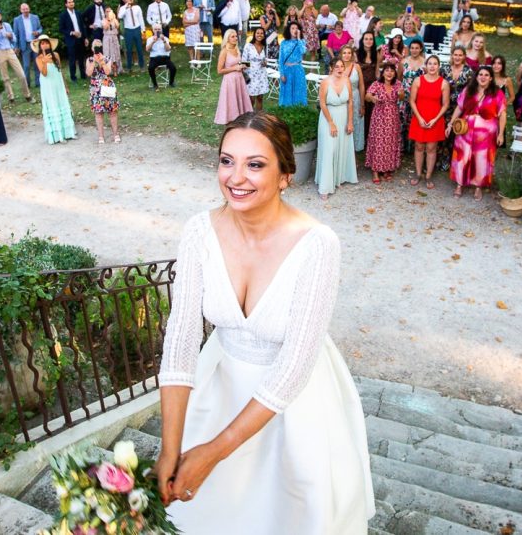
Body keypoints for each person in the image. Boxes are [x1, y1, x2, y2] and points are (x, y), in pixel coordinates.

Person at [157, 111, 375, 535]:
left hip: (293, 402)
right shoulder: (199, 232)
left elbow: (294, 366)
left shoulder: (317, 245)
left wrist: (214, 451)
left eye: (255, 164)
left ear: (285, 176)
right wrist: (171, 446)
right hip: (219, 387)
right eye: (226, 160)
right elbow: (181, 338)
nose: (235, 177)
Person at [448, 65, 506, 199]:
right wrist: (451, 123)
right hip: (465, 130)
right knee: (463, 156)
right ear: (476, 76)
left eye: (486, 75)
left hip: (486, 133)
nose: (483, 77)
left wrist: (501, 133)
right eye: (480, 74)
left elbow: (502, 114)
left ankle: (478, 186)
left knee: (481, 159)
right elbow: (459, 107)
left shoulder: (497, 93)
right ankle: (459, 184)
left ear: (491, 78)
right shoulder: (469, 90)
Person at [315, 59, 359, 200]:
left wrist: (350, 121)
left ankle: (338, 179)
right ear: (331, 68)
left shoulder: (347, 81)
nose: (340, 69)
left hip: (344, 117)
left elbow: (350, 101)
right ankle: (325, 186)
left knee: (342, 147)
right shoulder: (325, 82)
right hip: (329, 118)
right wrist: (331, 123)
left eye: (342, 66)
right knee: (329, 149)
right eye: (337, 67)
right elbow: (322, 103)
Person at [406, 55, 447, 188]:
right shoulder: (418, 80)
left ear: (439, 66)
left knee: (431, 148)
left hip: (435, 119)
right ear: (426, 66)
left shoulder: (443, 83)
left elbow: (445, 104)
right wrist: (419, 117)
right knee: (419, 146)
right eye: (430, 63)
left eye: (435, 64)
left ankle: (428, 175)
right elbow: (412, 100)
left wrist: (436, 119)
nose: (432, 66)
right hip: (420, 117)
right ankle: (418, 173)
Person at [364, 64, 403, 184]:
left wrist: (401, 93)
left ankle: (387, 168)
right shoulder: (377, 84)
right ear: (383, 73)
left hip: (392, 117)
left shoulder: (398, 84)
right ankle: (375, 170)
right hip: (379, 117)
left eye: (392, 71)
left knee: (390, 142)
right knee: (378, 142)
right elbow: (367, 96)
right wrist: (373, 98)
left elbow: (402, 98)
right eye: (387, 71)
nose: (389, 73)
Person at [35, 36, 77, 144]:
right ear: (40, 46)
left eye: (46, 43)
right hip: (47, 85)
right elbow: (44, 73)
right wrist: (44, 62)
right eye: (42, 43)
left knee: (62, 103)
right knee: (53, 104)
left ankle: (69, 133)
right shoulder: (39, 58)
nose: (45, 45)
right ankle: (58, 135)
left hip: (57, 83)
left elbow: (60, 71)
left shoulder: (56, 55)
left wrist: (65, 86)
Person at [213, 29, 255, 126]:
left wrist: (247, 64)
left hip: (239, 80)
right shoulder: (224, 51)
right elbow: (219, 70)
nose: (235, 38)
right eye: (232, 36)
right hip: (230, 81)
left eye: (236, 36)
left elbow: (238, 63)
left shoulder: (237, 49)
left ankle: (239, 123)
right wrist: (234, 68)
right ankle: (230, 125)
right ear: (227, 39)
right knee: (231, 103)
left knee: (240, 102)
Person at [87, 40, 121, 143]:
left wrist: (102, 61)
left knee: (112, 111)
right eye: (95, 47)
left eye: (99, 47)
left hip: (107, 85)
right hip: (95, 87)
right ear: (92, 49)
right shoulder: (89, 59)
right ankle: (101, 136)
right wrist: (94, 62)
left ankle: (116, 134)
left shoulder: (107, 58)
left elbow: (107, 72)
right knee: (98, 113)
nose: (97, 49)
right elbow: (88, 73)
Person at [400, 40, 427, 155]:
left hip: (420, 96)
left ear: (421, 49)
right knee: (403, 120)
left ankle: (414, 147)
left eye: (417, 48)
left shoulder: (425, 63)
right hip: (405, 95)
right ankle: (402, 147)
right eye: (412, 48)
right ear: (409, 49)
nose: (414, 50)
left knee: (415, 121)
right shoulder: (404, 61)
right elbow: (399, 77)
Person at [339, 45, 367, 153]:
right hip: (341, 97)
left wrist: (362, 104)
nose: (347, 55)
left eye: (349, 53)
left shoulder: (356, 67)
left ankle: (354, 147)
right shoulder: (337, 67)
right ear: (341, 54)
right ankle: (343, 146)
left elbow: (361, 85)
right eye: (344, 53)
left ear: (352, 55)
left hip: (355, 96)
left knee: (355, 120)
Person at [13, 3, 44, 90]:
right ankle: (27, 84)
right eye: (23, 9)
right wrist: (16, 46)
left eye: (26, 9)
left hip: (34, 43)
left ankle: (38, 83)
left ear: (29, 9)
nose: (25, 11)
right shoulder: (17, 20)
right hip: (25, 45)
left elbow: (40, 28)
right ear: (20, 10)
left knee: (37, 64)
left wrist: (38, 32)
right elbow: (15, 34)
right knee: (26, 66)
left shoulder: (35, 17)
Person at [355, 32, 378, 145]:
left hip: (372, 88)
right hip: (360, 87)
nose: (368, 41)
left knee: (371, 113)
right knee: (360, 111)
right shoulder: (357, 54)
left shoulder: (376, 54)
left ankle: (369, 139)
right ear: (362, 40)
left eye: (371, 39)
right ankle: (358, 138)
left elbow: (377, 72)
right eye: (366, 39)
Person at [277, 22, 307, 107]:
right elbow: (281, 59)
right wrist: (282, 74)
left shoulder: (301, 42)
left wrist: (298, 38)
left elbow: (303, 51)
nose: (294, 30)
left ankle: (299, 110)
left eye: (296, 28)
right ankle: (286, 111)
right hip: (286, 70)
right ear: (288, 30)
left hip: (298, 70)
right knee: (287, 91)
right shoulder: (283, 43)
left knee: (298, 91)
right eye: (292, 28)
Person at [59, 0, 88, 83]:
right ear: (66, 4)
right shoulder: (63, 15)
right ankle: (73, 77)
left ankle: (83, 75)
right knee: (72, 59)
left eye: (72, 2)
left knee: (81, 58)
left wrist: (85, 37)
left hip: (80, 39)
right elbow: (61, 29)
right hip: (71, 40)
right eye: (69, 2)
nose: (71, 3)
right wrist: (71, 32)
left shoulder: (78, 13)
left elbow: (82, 26)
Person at [243, 27, 270, 111]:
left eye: (261, 33)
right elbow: (243, 61)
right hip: (251, 75)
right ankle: (248, 118)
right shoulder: (248, 46)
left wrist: (265, 63)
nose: (259, 35)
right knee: (251, 99)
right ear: (254, 34)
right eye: (257, 33)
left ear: (264, 35)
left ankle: (259, 117)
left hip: (261, 75)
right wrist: (249, 68)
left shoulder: (265, 46)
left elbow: (266, 59)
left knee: (260, 98)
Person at [120, 0, 147, 71]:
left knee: (139, 48)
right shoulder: (123, 8)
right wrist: (126, 7)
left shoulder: (137, 7)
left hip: (137, 29)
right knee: (128, 49)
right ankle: (129, 67)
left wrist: (143, 30)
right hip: (128, 30)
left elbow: (141, 19)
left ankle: (142, 66)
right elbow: (120, 16)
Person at [103, 8, 124, 73]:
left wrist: (114, 19)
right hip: (107, 38)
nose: (108, 12)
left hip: (114, 38)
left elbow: (117, 26)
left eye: (109, 11)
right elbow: (105, 28)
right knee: (108, 53)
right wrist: (109, 20)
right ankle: (109, 70)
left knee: (116, 53)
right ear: (105, 13)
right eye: (107, 11)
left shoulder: (114, 19)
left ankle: (117, 69)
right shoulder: (104, 20)